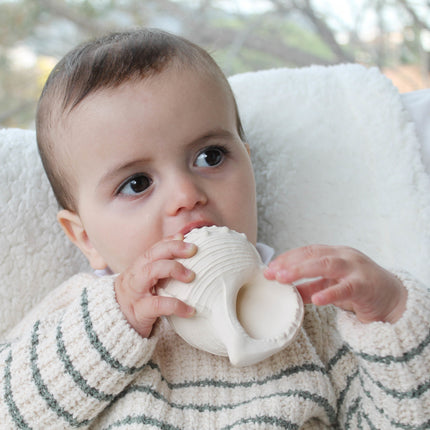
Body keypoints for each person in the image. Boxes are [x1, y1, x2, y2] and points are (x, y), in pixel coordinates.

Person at [0, 28, 428, 429]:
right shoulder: (81, 320)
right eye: (137, 184)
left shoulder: (309, 307)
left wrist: (392, 316)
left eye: (210, 156)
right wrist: (117, 320)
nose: (187, 194)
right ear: (86, 239)